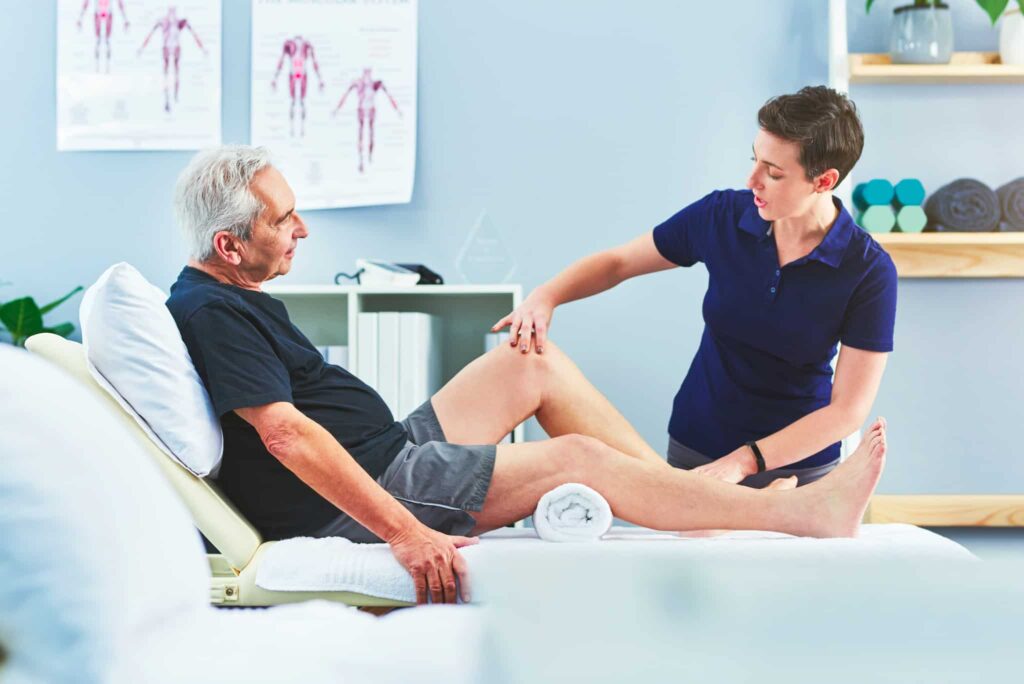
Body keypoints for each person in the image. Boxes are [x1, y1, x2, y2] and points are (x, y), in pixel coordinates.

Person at [166, 145, 888, 605]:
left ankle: (693, 507)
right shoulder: (213, 313)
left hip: (388, 450)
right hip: (372, 488)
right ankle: (797, 513)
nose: (303, 230)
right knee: (577, 460)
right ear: (229, 244)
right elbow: (286, 438)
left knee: (526, 359)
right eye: (284, 221)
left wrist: (543, 299)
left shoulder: (224, 294)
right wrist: (404, 533)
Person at [495, 86, 896, 489]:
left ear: (824, 180)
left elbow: (847, 410)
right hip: (698, 449)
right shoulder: (722, 216)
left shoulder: (867, 271)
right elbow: (619, 263)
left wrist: (747, 461)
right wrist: (547, 296)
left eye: (774, 173)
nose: (752, 179)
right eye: (754, 160)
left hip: (800, 469)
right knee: (699, 547)